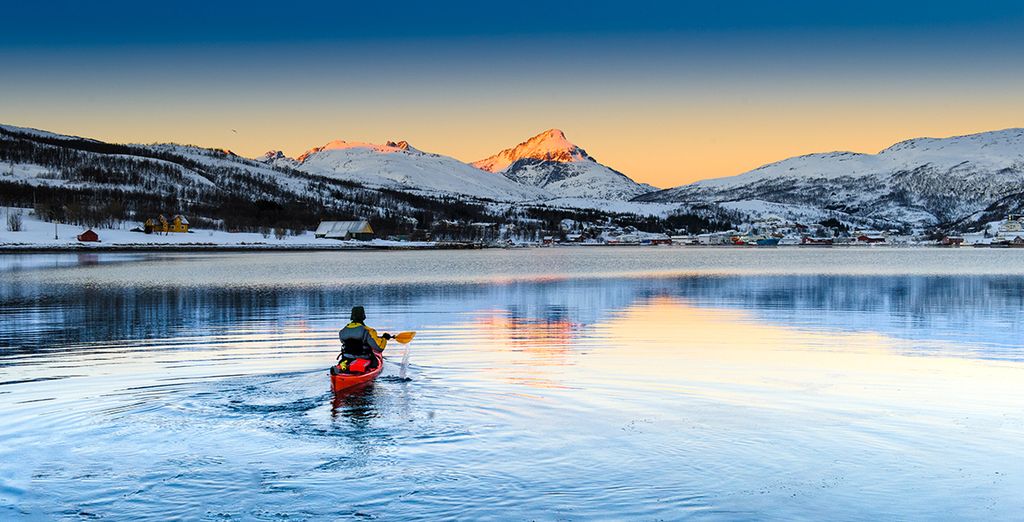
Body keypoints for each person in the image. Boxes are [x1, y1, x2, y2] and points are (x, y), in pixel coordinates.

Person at [337, 306, 390, 372]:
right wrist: (384, 339)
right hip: (364, 358)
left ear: (351, 316)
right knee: (375, 363)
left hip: (347, 359)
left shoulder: (342, 332)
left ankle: (342, 368)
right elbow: (379, 348)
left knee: (345, 361)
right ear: (363, 316)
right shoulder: (368, 331)